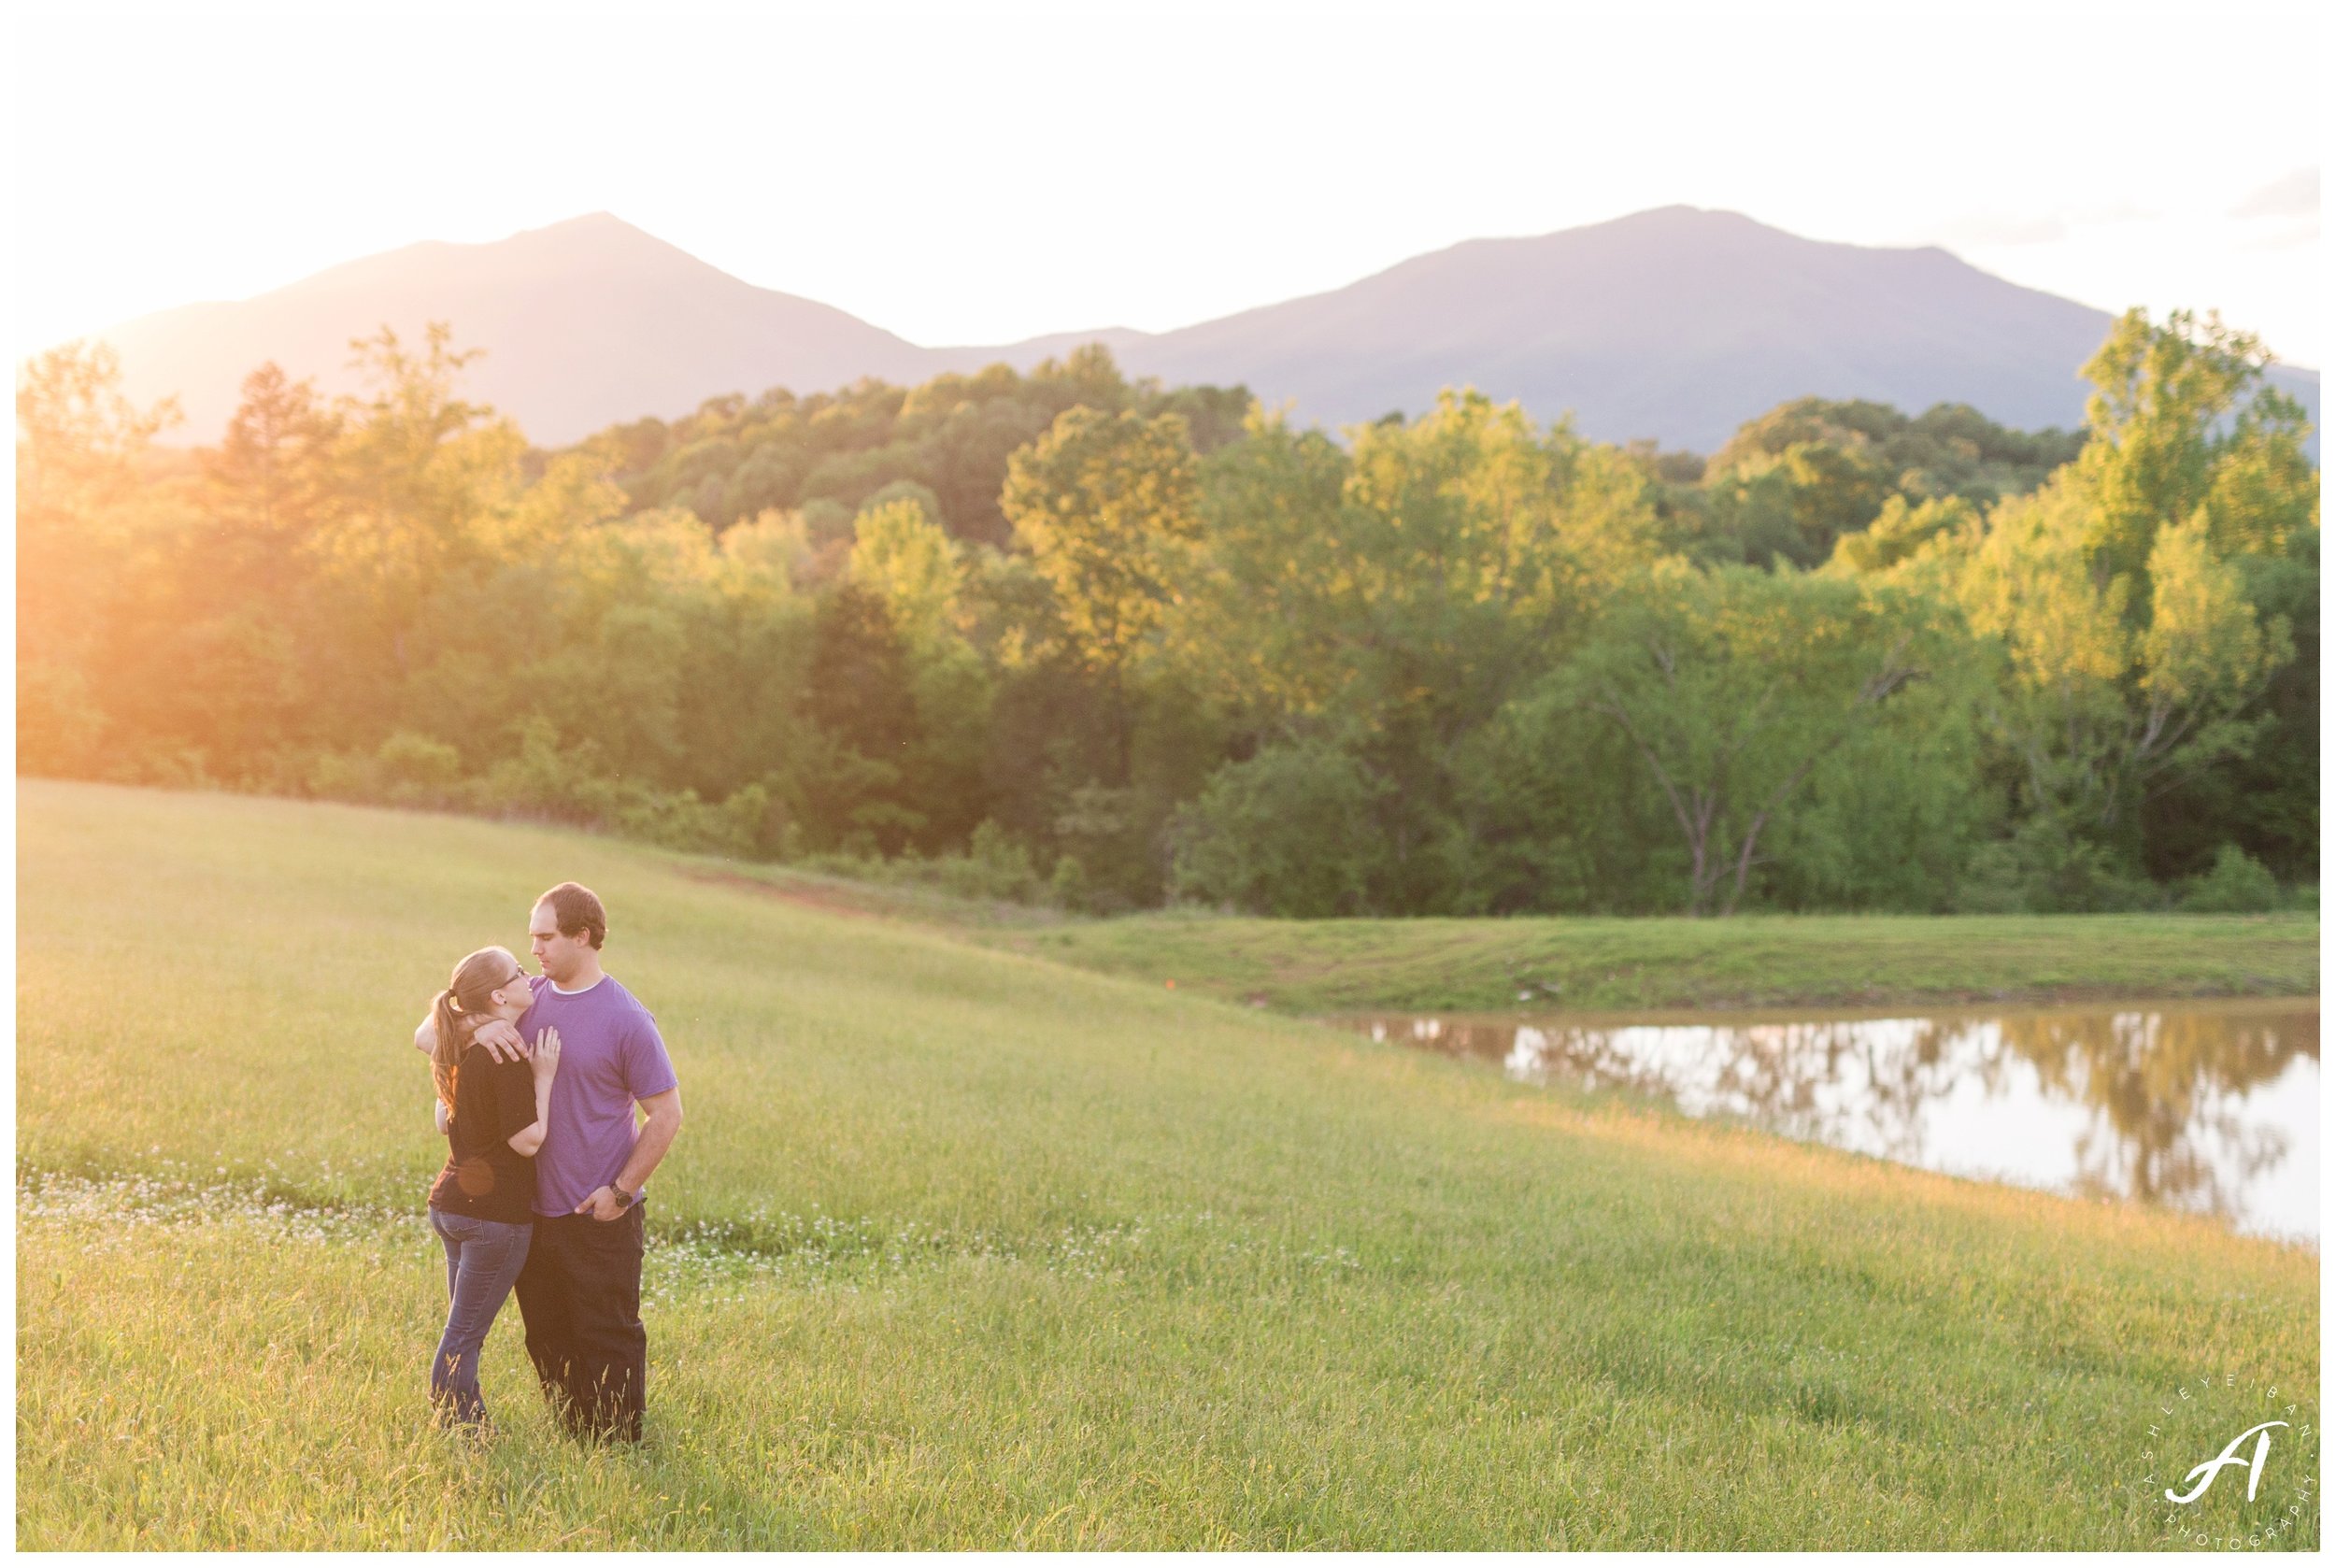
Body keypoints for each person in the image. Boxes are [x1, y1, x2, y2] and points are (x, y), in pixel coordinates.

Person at [420, 881, 683, 1443]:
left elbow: (666, 1114)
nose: (534, 949)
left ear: (582, 937)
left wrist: (620, 1192)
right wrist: (478, 1024)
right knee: (545, 1333)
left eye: (545, 937)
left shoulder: (627, 1019)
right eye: (531, 938)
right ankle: (574, 1437)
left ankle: (616, 1448)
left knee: (607, 1330)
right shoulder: (525, 996)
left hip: (597, 1209)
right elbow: (428, 1030)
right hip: (527, 1212)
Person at [420, 946, 563, 1431]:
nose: (528, 973)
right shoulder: (508, 1055)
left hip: (451, 1206)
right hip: (493, 1218)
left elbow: (444, 1120)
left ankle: (468, 1420)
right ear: (500, 995)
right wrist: (543, 1077)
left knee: (463, 1327)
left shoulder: (463, 1044)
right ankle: (460, 1430)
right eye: (518, 972)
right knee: (464, 1331)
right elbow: (528, 1141)